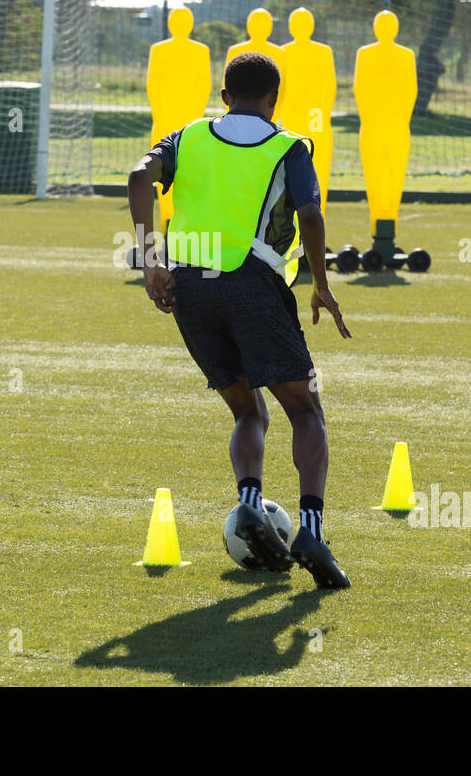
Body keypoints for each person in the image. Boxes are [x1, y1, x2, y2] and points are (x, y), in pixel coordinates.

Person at [126, 52, 352, 589]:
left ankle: (249, 503)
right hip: (252, 281)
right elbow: (311, 214)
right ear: (275, 99)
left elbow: (138, 175)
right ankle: (312, 532)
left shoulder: (188, 137)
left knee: (248, 410)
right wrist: (321, 285)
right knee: (305, 409)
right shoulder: (289, 145)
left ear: (223, 97)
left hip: (189, 288)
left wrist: (149, 259)